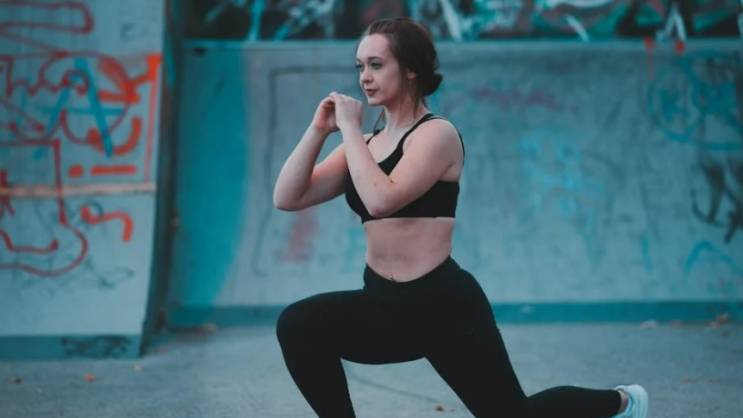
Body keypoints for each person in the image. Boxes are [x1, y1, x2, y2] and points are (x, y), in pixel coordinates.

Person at [272, 17, 649, 418]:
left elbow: (382, 200)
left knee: (509, 414)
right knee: (298, 324)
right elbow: (288, 197)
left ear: (411, 68)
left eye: (376, 65)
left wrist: (349, 130)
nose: (364, 77)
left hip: (442, 307)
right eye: (360, 66)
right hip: (382, 304)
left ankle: (623, 402)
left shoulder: (436, 135)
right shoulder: (362, 145)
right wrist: (318, 130)